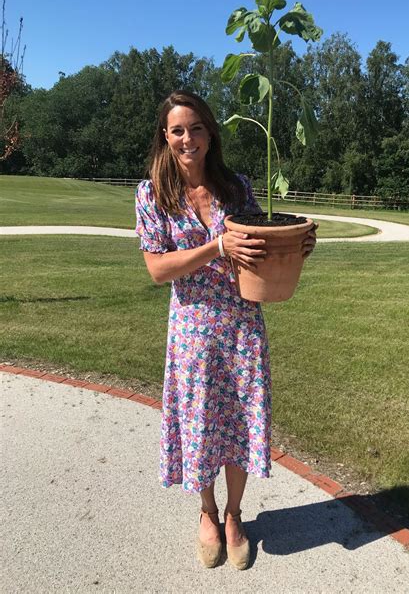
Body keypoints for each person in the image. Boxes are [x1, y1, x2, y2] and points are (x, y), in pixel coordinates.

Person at [135, 90, 316, 570]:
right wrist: (217, 247)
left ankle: (235, 514)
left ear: (210, 132)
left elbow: (261, 242)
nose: (187, 138)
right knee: (200, 426)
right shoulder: (152, 193)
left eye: (196, 127)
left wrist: (296, 243)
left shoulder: (236, 188)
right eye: (177, 130)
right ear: (165, 137)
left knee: (239, 422)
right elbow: (157, 269)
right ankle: (207, 513)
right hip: (193, 330)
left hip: (241, 325)